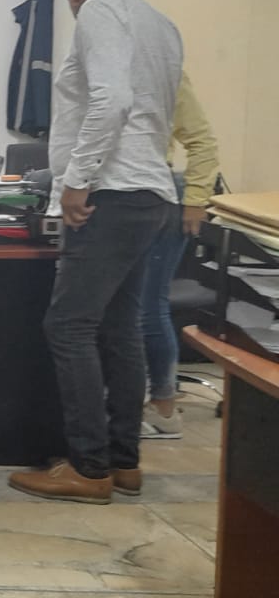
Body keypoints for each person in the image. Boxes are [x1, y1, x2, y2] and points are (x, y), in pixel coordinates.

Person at [9, 0, 179, 504]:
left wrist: (77, 181)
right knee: (121, 328)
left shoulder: (100, 11)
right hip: (150, 192)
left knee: (69, 327)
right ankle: (123, 462)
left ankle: (88, 467)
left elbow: (112, 100)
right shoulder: (160, 22)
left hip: (111, 192)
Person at [139, 74, 219, 440]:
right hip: (130, 197)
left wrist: (196, 199)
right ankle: (139, 399)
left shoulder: (166, 71)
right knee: (130, 308)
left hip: (165, 197)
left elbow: (202, 141)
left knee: (148, 307)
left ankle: (164, 409)